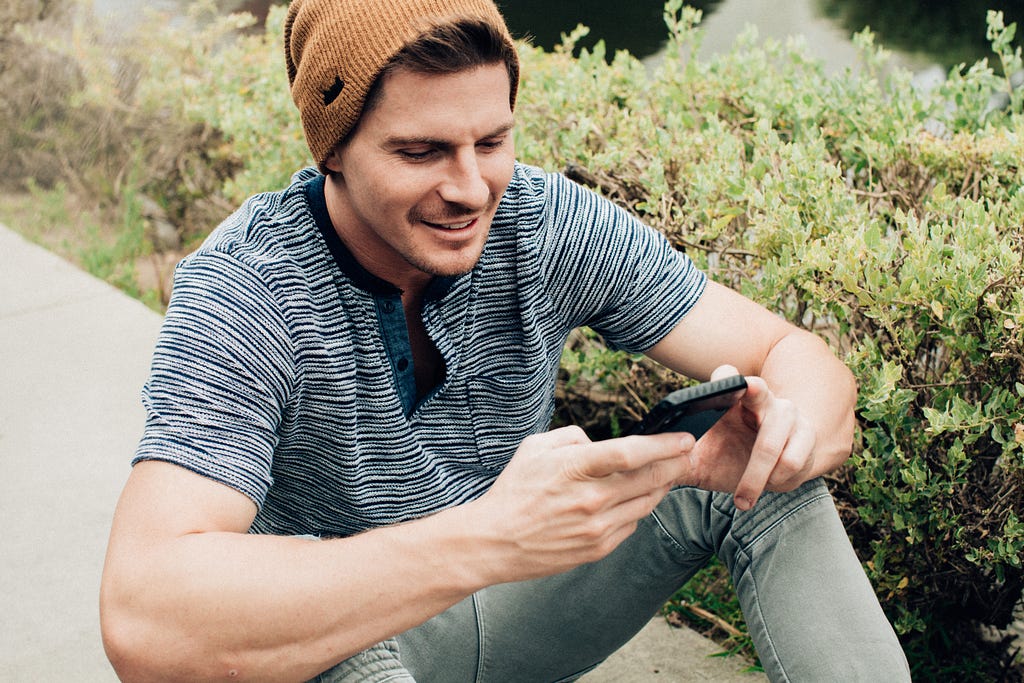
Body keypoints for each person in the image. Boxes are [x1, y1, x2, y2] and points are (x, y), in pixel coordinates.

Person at [99, 0, 911, 681]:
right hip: (350, 642)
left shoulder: (541, 218)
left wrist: (788, 435)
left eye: (491, 142)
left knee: (760, 462)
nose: (469, 187)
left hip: (525, 602)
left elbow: (798, 357)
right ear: (332, 146)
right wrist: (489, 535)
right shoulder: (247, 287)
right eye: (420, 151)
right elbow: (144, 613)